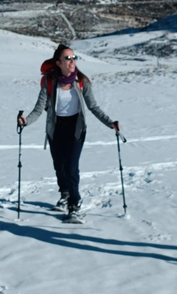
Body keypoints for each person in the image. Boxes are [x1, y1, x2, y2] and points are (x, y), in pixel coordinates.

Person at [18, 44, 120, 222]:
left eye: (74, 58)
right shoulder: (50, 81)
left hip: (76, 128)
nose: (72, 61)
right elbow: (39, 108)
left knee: (72, 166)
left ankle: (74, 205)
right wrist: (26, 120)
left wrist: (110, 123)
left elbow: (93, 106)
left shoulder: (82, 82)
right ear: (58, 63)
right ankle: (65, 195)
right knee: (60, 165)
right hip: (55, 127)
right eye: (68, 58)